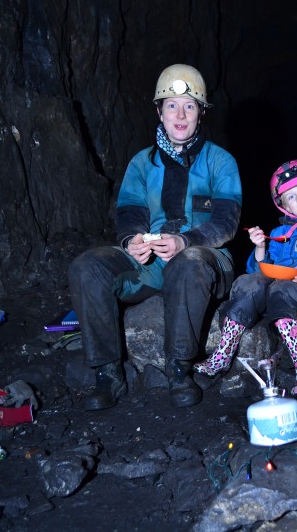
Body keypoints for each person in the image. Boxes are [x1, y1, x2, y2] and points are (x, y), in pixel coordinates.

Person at [68, 64, 242, 411]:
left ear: (201, 113)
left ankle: (179, 369)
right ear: (159, 112)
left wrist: (186, 241)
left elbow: (226, 221)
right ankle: (108, 373)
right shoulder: (142, 163)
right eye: (172, 105)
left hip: (206, 259)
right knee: (88, 266)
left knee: (188, 261)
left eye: (189, 106)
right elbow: (130, 210)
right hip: (151, 263)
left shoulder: (220, 161)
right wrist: (131, 240)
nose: (180, 114)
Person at [193, 160, 297, 396]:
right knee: (249, 281)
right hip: (270, 297)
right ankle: (223, 353)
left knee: (283, 287)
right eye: (290, 196)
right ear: (283, 205)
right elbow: (260, 269)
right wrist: (260, 248)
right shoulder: (280, 234)